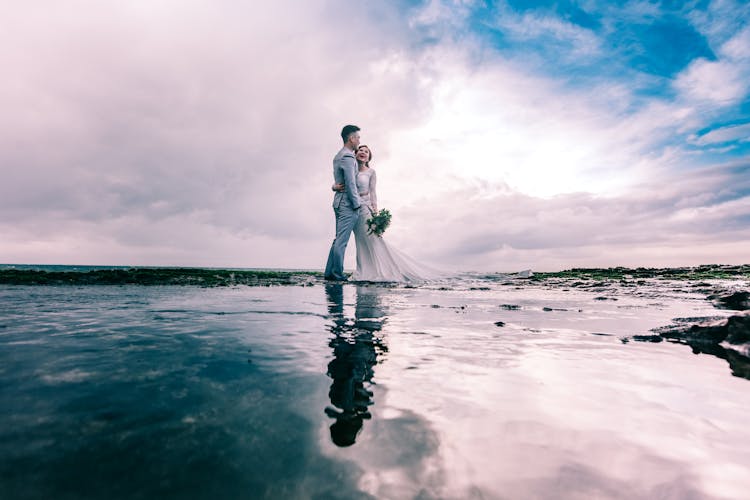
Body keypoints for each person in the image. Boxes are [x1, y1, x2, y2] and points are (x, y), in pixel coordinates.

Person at [333, 145, 437, 282]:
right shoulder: (350, 169)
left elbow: (373, 192)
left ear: (369, 157)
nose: (363, 153)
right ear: (355, 153)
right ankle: (363, 270)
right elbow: (340, 184)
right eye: (361, 150)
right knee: (360, 241)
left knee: (372, 239)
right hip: (349, 208)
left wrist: (375, 213)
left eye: (366, 152)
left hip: (365, 208)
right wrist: (334, 187)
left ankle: (383, 270)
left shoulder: (371, 172)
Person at [324, 125, 364, 281]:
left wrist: (334, 186)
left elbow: (340, 181)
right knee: (342, 241)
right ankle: (336, 274)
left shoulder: (338, 156)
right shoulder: (347, 157)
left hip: (339, 202)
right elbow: (350, 182)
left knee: (338, 239)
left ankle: (330, 272)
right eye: (358, 138)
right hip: (347, 204)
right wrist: (356, 204)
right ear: (351, 138)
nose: (359, 141)